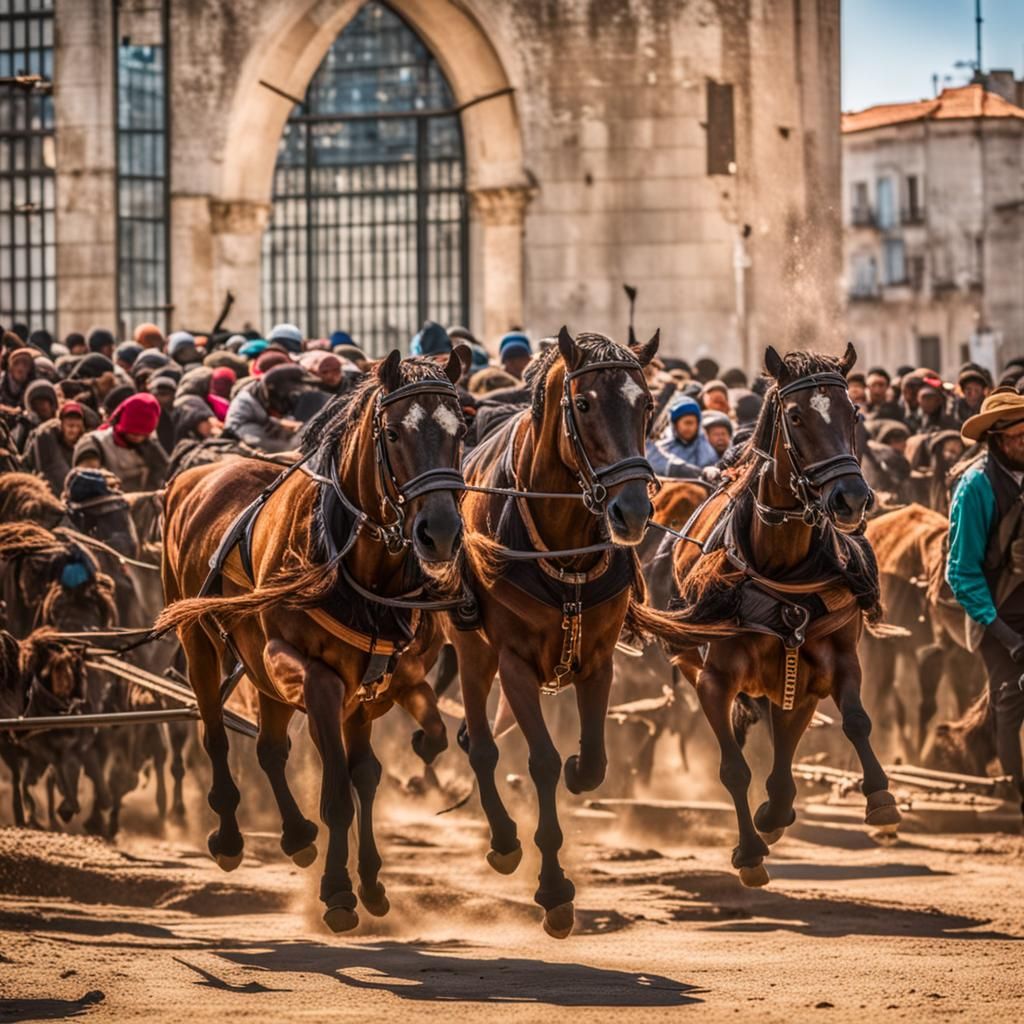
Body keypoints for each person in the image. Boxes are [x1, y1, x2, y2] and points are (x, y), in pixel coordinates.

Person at [947, 388, 1024, 812]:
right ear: (996, 438)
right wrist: (1006, 636)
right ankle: (1019, 802)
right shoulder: (975, 487)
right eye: (1019, 436)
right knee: (1010, 704)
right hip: (999, 615)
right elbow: (961, 572)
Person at [72, 391, 168, 492]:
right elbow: (85, 480)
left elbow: (164, 475)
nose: (138, 438)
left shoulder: (150, 446)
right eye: (134, 433)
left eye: (143, 435)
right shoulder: (94, 443)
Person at [223, 362, 314, 453]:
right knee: (288, 448)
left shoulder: (264, 391)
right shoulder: (246, 405)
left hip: (265, 421)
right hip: (241, 430)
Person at [23, 401, 86, 496]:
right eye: (70, 426)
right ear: (62, 425)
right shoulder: (47, 439)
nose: (73, 430)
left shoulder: (82, 445)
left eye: (77, 426)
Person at [646, 395, 718, 477]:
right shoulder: (662, 448)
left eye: (693, 423)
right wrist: (679, 469)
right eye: (686, 423)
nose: (689, 427)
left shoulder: (707, 451)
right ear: (675, 425)